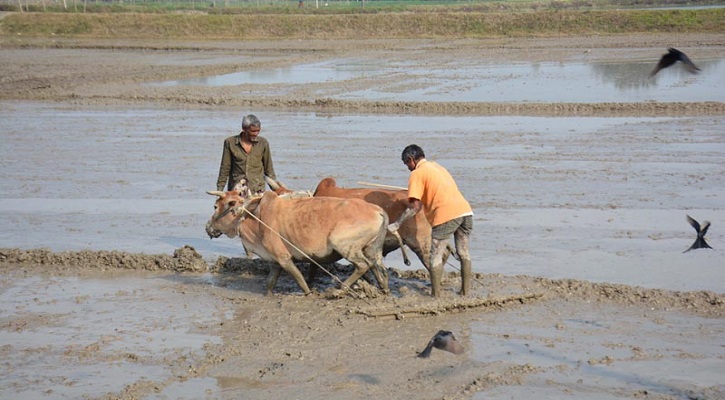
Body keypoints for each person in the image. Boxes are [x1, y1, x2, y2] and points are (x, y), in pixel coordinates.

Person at [388, 144, 473, 297]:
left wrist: (397, 223)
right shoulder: (437, 166)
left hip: (446, 215)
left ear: (411, 159)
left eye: (407, 164)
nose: (408, 167)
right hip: (465, 211)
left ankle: (436, 295)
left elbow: (414, 207)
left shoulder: (417, 173)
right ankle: (465, 292)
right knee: (463, 253)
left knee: (435, 256)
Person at [215, 114, 279, 195]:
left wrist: (276, 190)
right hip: (237, 189)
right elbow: (224, 168)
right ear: (244, 129)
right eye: (253, 131)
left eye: (258, 131)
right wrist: (219, 191)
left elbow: (269, 169)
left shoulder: (263, 143)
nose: (256, 134)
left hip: (257, 189)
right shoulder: (230, 143)